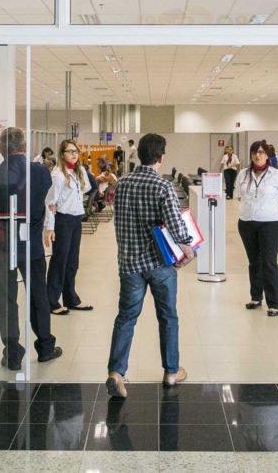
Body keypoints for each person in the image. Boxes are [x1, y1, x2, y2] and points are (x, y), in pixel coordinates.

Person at [106, 133, 195, 398]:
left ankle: (116, 373)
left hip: (129, 264)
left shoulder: (122, 183)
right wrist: (188, 247)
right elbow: (176, 225)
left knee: (126, 318)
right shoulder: (162, 186)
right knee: (167, 317)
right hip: (160, 264)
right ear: (160, 157)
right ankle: (171, 371)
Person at [0, 127, 61, 371]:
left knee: (5, 298)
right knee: (38, 295)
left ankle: (13, 352)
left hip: (0, 244)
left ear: (0, 149)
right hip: (30, 243)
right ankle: (45, 346)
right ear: (25, 147)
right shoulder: (40, 171)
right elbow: (43, 194)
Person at [236, 140, 278, 317]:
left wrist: (268, 207)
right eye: (254, 152)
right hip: (247, 222)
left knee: (269, 262)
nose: (257, 155)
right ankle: (256, 297)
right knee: (254, 261)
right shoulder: (243, 174)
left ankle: (274, 303)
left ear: (267, 155)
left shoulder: (277, 175)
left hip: (271, 223)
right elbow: (239, 196)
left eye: (261, 152)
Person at [44, 139, 93, 315]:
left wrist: (81, 169)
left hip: (76, 219)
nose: (74, 154)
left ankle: (71, 298)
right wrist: (50, 228)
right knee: (60, 260)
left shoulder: (77, 171)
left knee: (72, 261)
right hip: (63, 220)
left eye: (76, 151)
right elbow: (50, 203)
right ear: (62, 154)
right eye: (70, 151)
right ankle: (51, 301)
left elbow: (87, 188)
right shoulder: (57, 176)